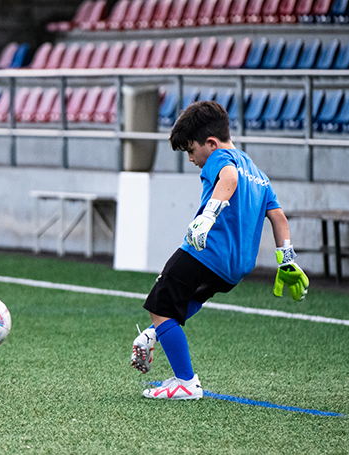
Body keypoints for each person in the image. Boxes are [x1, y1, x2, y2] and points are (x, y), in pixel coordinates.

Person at [130, 100, 309, 400]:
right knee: (184, 302)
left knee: (158, 306)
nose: (191, 159)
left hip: (205, 251)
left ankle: (185, 382)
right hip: (234, 270)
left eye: (190, 150)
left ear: (210, 143)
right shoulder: (258, 174)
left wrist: (207, 218)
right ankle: (153, 336)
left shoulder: (220, 158)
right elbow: (278, 218)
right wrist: (287, 260)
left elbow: (229, 178)